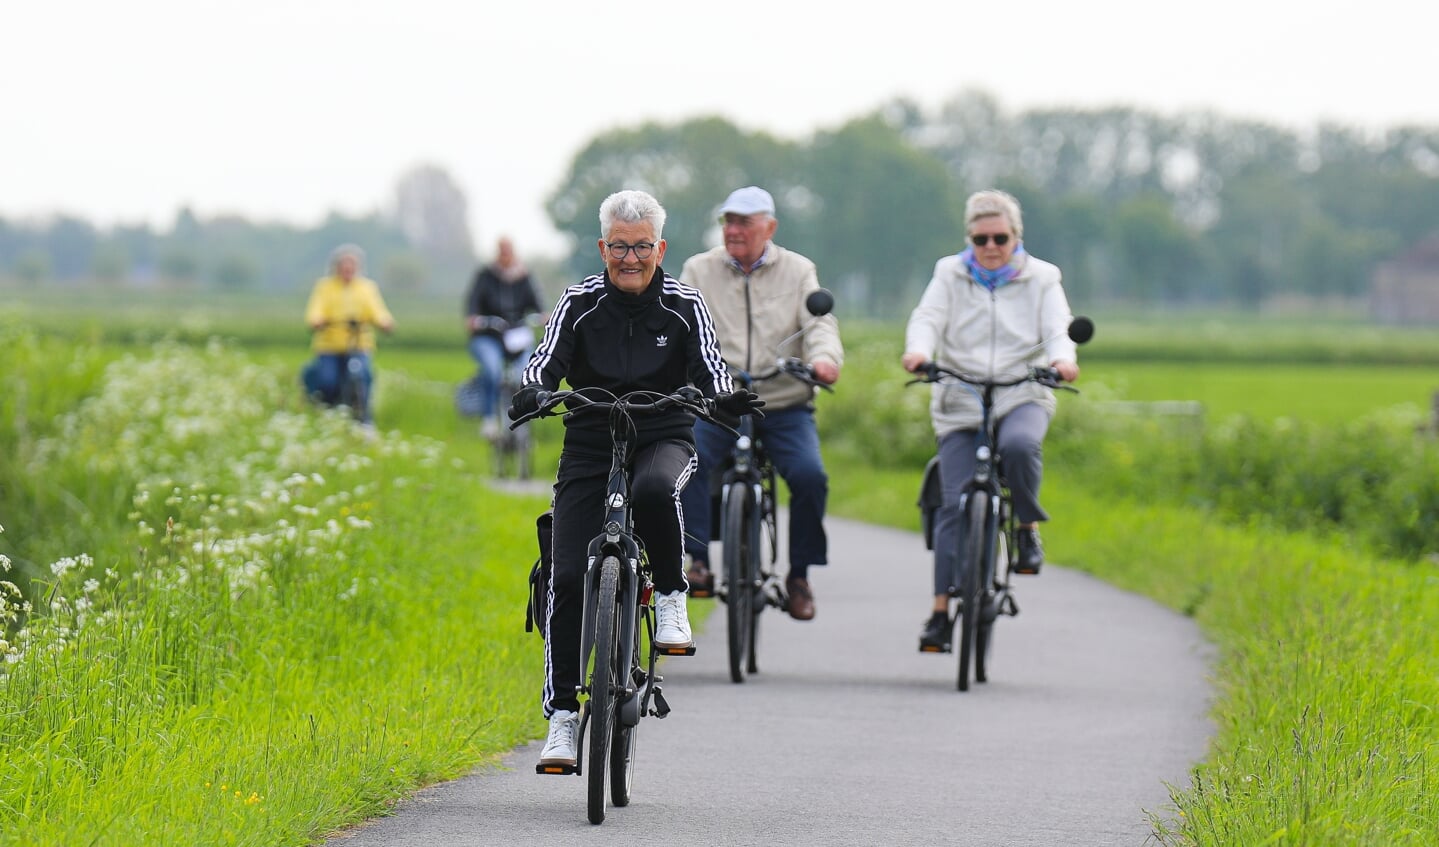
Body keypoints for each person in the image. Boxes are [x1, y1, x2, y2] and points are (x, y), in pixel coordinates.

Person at [510, 189, 761, 769]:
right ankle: (564, 719)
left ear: (660, 247)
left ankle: (672, 596)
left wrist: (724, 398)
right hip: (590, 439)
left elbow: (712, 368)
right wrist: (534, 390)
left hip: (663, 432)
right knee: (567, 576)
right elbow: (544, 361)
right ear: (603, 247)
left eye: (642, 246)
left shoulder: (684, 303)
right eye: (620, 247)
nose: (630, 257)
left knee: (652, 490)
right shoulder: (577, 303)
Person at [901, 189, 1080, 651]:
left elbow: (1059, 328)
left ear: (1016, 236)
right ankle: (941, 612)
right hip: (960, 395)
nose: (991, 246)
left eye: (1000, 237)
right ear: (970, 239)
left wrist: (1063, 361)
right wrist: (918, 352)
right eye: (981, 238)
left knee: (1021, 447)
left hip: (1021, 390)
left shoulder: (1043, 277)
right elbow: (928, 317)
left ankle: (1025, 528)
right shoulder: (949, 272)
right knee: (952, 505)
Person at [677, 185, 843, 621]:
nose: (733, 230)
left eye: (744, 222)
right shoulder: (698, 269)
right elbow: (679, 325)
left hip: (783, 401)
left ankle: (800, 576)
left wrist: (824, 360)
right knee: (687, 460)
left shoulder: (798, 270)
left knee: (810, 477)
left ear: (768, 227)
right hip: (720, 400)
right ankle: (697, 561)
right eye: (728, 221)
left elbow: (819, 323)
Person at [302, 244, 395, 425]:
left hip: (358, 343)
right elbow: (315, 310)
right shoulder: (325, 287)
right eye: (344, 266)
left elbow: (377, 310)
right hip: (329, 345)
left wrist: (385, 322)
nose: (348, 270)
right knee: (328, 380)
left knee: (363, 376)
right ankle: (327, 411)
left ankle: (364, 416)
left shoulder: (367, 288)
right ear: (336, 267)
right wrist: (317, 320)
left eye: (352, 266)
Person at [463, 236, 545, 438]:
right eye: (502, 251)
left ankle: (525, 416)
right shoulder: (485, 276)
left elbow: (537, 304)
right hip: (489, 336)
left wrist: (544, 316)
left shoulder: (524, 277)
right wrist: (475, 319)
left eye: (508, 251)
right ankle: (489, 418)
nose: (506, 255)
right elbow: (473, 303)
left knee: (527, 374)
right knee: (492, 371)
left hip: (516, 335)